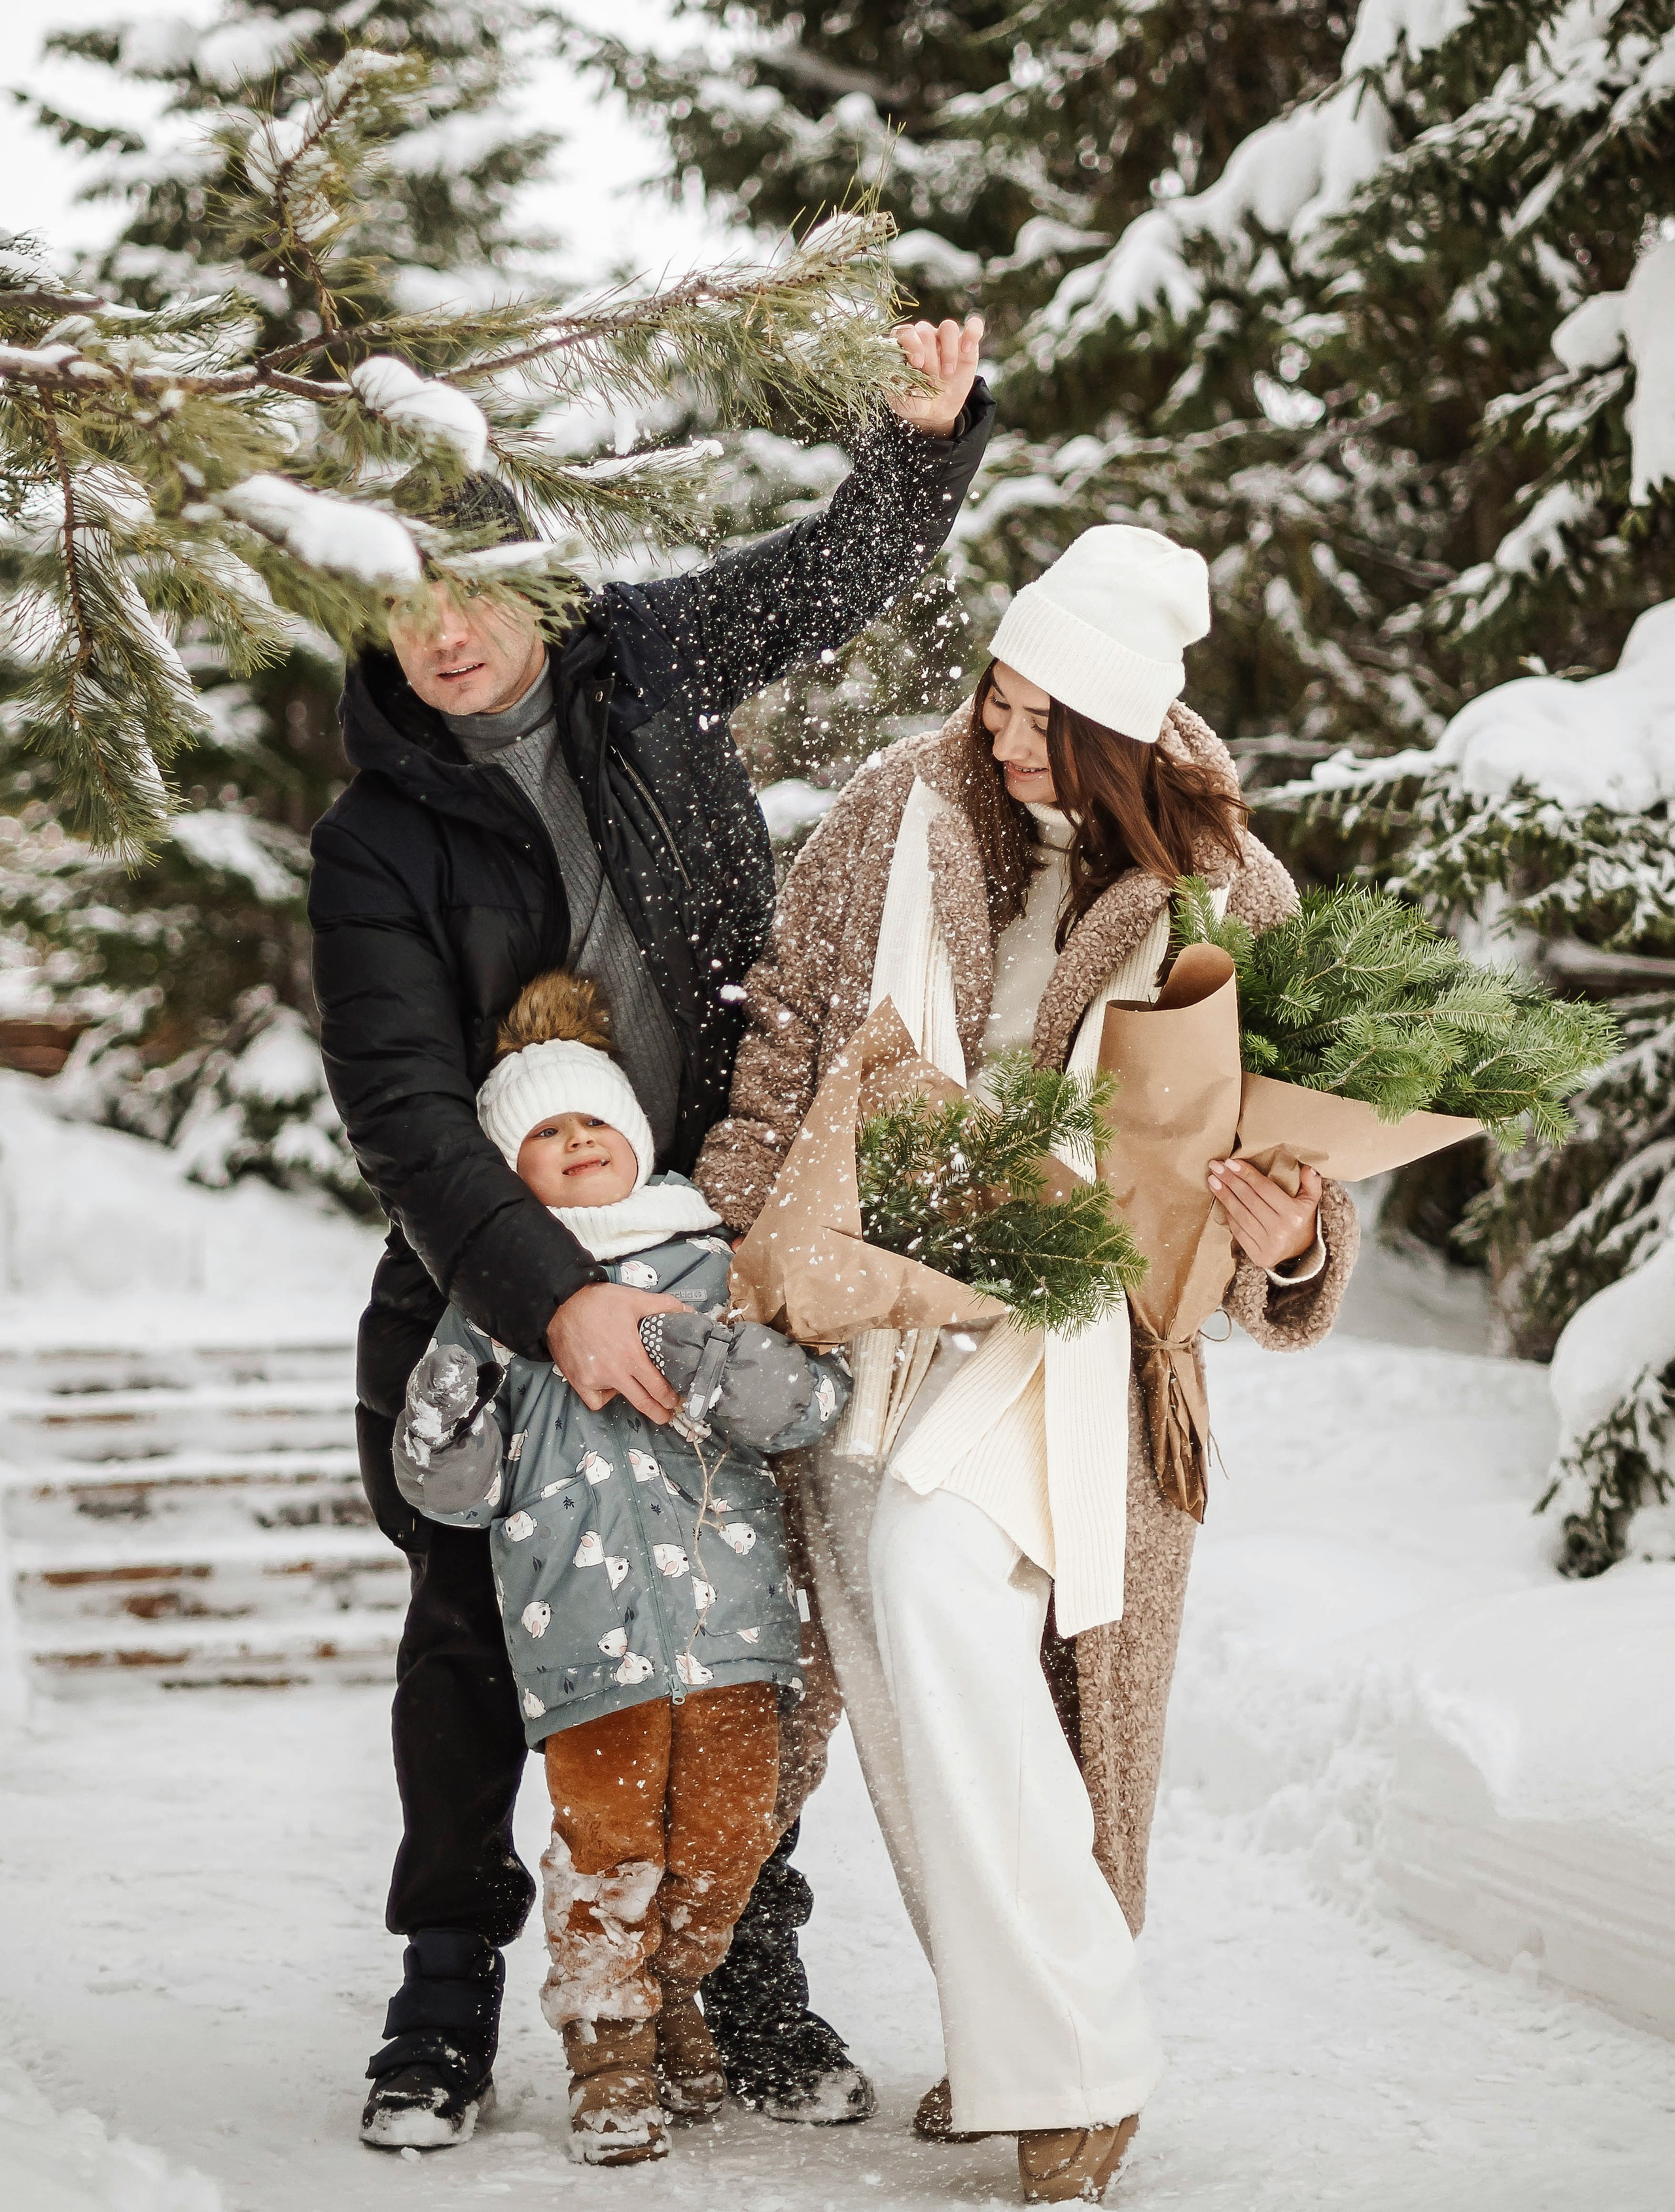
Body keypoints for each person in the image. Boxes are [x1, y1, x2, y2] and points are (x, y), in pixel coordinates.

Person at [308, 317, 991, 2150]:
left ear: (533, 567)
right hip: (485, 1272)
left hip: (700, 1254)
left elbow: (828, 575)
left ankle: (743, 1976)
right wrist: (548, 1308)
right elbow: (404, 1112)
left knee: (741, 1632)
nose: (444, 634)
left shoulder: (650, 666)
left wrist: (922, 448)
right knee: (465, 1631)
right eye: (401, 607)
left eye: (468, 587)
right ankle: (443, 1999)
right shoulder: (377, 837)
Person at [696, 524, 1361, 2205]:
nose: (993, 730)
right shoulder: (890, 818)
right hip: (880, 1302)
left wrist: (1280, 1235)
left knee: (933, 1588)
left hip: (1082, 1350)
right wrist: (733, 1248)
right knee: (915, 1674)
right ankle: (1020, 2037)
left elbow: (1296, 1180)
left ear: (1121, 726)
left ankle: (1070, 2059)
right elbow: (785, 1032)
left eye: (1032, 708)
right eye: (991, 692)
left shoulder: (1234, 898)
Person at [389, 972, 850, 2165]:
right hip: (584, 1645)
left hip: (738, 1628)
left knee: (733, 1832)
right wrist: (446, 1395)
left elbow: (808, 1401)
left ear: (637, 1139)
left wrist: (702, 1355)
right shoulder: (496, 1310)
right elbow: (451, 1488)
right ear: (509, 1175)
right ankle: (611, 2054)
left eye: (592, 1118)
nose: (576, 1139)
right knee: (608, 1849)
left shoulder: (714, 1262)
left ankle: (677, 1993)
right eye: (543, 1134)